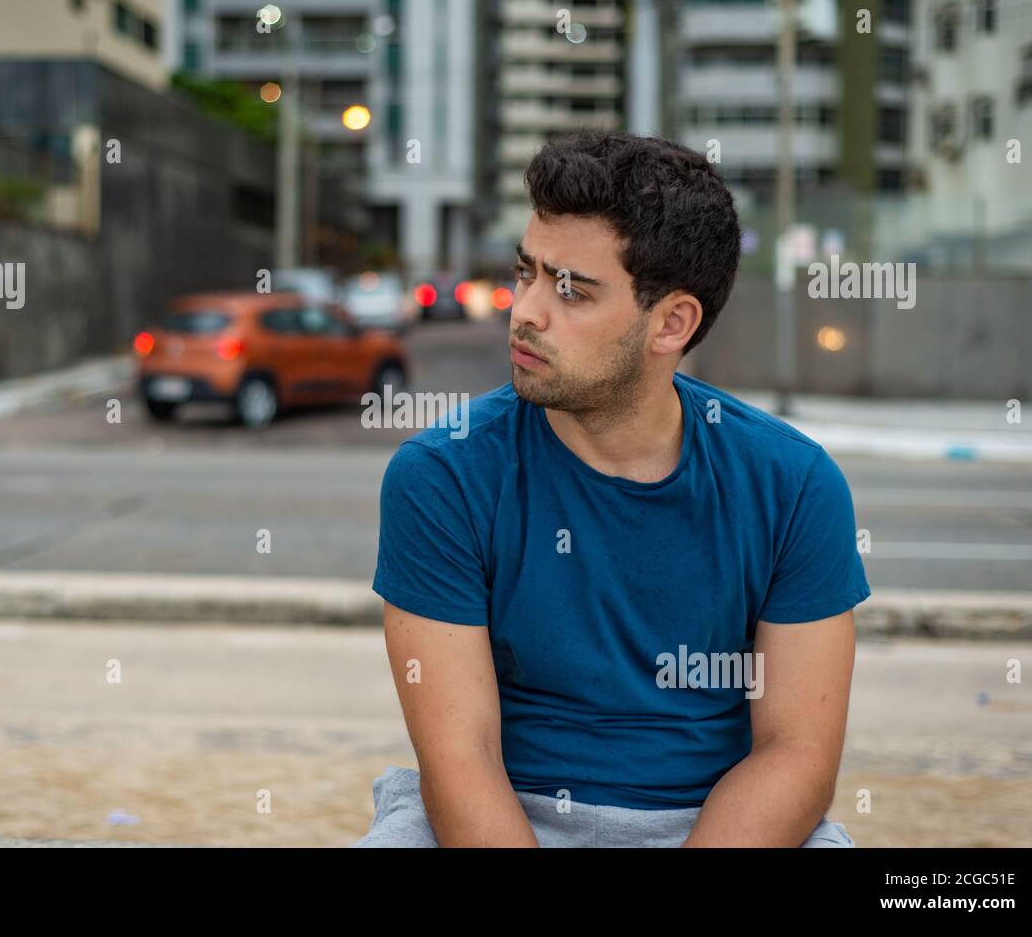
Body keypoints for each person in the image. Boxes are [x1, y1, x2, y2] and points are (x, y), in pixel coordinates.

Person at [354, 132, 869, 847]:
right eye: (526, 271)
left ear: (672, 324)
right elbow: (459, 761)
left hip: (716, 822)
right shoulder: (442, 476)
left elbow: (798, 756)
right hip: (499, 810)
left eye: (570, 290)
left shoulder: (794, 485)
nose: (526, 309)